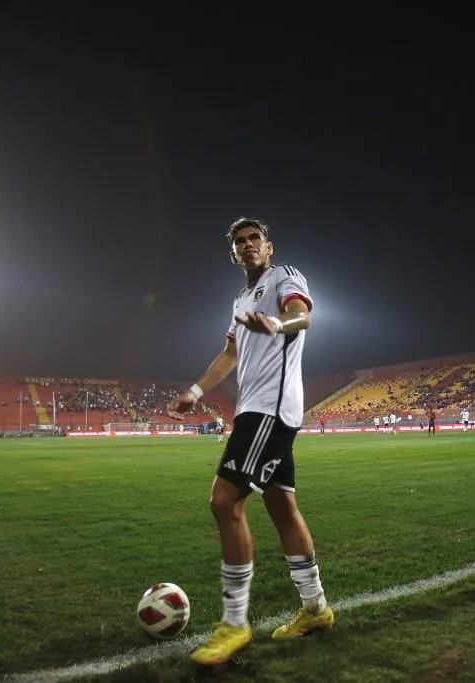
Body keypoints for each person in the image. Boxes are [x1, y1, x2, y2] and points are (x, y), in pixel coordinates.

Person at [167, 217, 333, 666]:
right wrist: (196, 392)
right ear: (233, 255)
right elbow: (230, 353)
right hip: (254, 409)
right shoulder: (240, 298)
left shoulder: (284, 277)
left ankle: (234, 623)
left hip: (269, 410)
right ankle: (316, 609)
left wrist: (277, 324)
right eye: (239, 242)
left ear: (268, 246)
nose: (247, 245)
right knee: (282, 507)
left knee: (224, 502)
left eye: (254, 238)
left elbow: (304, 315)